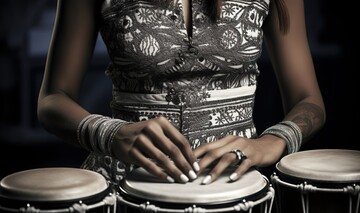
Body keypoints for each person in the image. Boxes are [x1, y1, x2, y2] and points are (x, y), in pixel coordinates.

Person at [37, 0, 326, 187]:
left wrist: (274, 141)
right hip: (125, 189)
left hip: (235, 192)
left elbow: (309, 100)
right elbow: (53, 99)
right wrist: (112, 134)